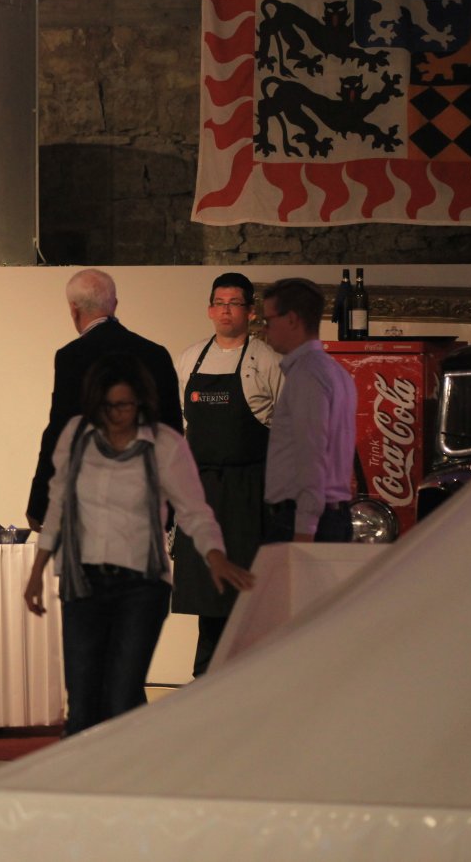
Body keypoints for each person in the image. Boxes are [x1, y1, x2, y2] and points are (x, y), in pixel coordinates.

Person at [23, 353, 255, 735]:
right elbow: (59, 505)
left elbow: (194, 511)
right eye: (109, 406)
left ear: (141, 402)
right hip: (83, 582)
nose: (118, 415)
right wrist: (37, 571)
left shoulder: (164, 445)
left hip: (141, 586)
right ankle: (83, 770)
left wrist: (215, 556)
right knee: (81, 701)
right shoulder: (77, 437)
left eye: (126, 405)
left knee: (122, 697)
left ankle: (124, 768)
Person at [172, 271, 285, 677]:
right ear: (209, 310)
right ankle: (205, 679)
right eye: (219, 303)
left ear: (250, 312)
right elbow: (180, 425)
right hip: (201, 493)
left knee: (248, 597)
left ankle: (251, 679)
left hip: (249, 494)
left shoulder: (267, 361)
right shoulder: (190, 359)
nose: (226, 311)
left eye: (235, 303)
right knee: (208, 596)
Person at [27, 268, 183, 531]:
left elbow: (61, 431)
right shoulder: (156, 354)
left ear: (74, 309)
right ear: (115, 304)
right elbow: (172, 431)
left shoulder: (72, 356)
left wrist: (39, 503)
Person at [260, 278, 358, 543]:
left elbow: (311, 452)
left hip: (306, 519)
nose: (265, 329)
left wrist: (305, 528)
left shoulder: (306, 374)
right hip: (330, 514)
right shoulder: (335, 371)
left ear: (292, 319)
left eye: (268, 320)